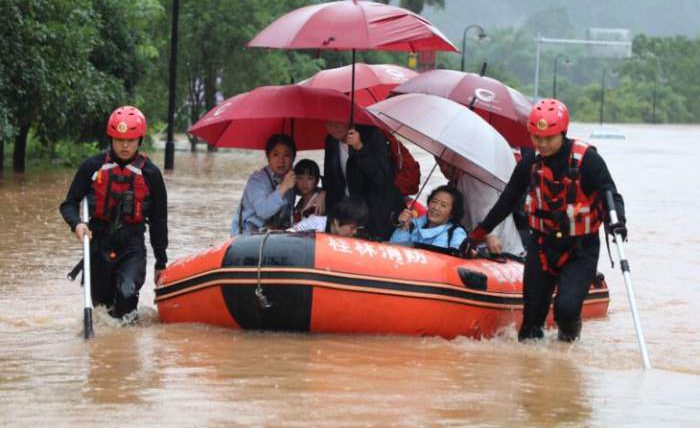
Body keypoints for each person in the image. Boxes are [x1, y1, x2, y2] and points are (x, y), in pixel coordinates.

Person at [468, 99, 627, 342]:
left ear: (563, 133)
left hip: (580, 249)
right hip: (542, 247)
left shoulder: (588, 160)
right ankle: (534, 362)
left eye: (549, 138)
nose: (542, 144)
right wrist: (479, 233)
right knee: (531, 321)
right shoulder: (530, 163)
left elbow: (610, 193)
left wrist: (617, 222)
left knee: (567, 310)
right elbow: (507, 200)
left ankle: (567, 351)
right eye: (536, 137)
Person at [60, 106, 168, 320]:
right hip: (99, 244)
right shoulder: (92, 166)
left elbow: (159, 221)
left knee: (126, 295)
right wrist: (77, 224)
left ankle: (126, 337)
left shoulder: (151, 174)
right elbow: (69, 205)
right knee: (102, 309)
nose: (124, 145)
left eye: (130, 140)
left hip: (132, 247)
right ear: (111, 139)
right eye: (119, 140)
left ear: (140, 140)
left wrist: (160, 262)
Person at [322, 122, 405, 241]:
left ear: (348, 120)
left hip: (375, 207)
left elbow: (381, 177)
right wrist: (323, 191)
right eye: (329, 124)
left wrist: (359, 147)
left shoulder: (373, 135)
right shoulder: (331, 140)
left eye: (337, 124)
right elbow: (330, 173)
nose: (333, 128)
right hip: (347, 207)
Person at [437, 158, 524, 255]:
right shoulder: (455, 182)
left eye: (445, 164)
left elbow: (489, 207)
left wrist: (489, 235)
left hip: (500, 248)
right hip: (476, 242)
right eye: (439, 165)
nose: (444, 170)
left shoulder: (475, 177)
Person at [231, 134, 296, 235]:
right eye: (275, 155)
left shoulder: (291, 178)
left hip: (274, 235)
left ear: (293, 158)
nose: (281, 160)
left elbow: (307, 190)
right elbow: (263, 212)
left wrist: (320, 194)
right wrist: (284, 187)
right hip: (246, 235)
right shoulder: (257, 180)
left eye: (286, 155)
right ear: (268, 158)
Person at [390, 185, 467, 250]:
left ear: (453, 213)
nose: (436, 207)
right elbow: (394, 250)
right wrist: (404, 228)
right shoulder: (412, 224)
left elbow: (458, 258)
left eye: (443, 205)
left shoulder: (456, 234)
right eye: (434, 201)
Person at [290, 196, 368, 238]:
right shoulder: (313, 225)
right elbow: (288, 237)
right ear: (336, 222)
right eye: (352, 228)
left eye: (357, 228)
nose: (355, 232)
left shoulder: (356, 235)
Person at [292, 159, 323, 223]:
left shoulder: (319, 201)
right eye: (300, 178)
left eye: (309, 178)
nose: (304, 183)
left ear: (317, 181)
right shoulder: (300, 203)